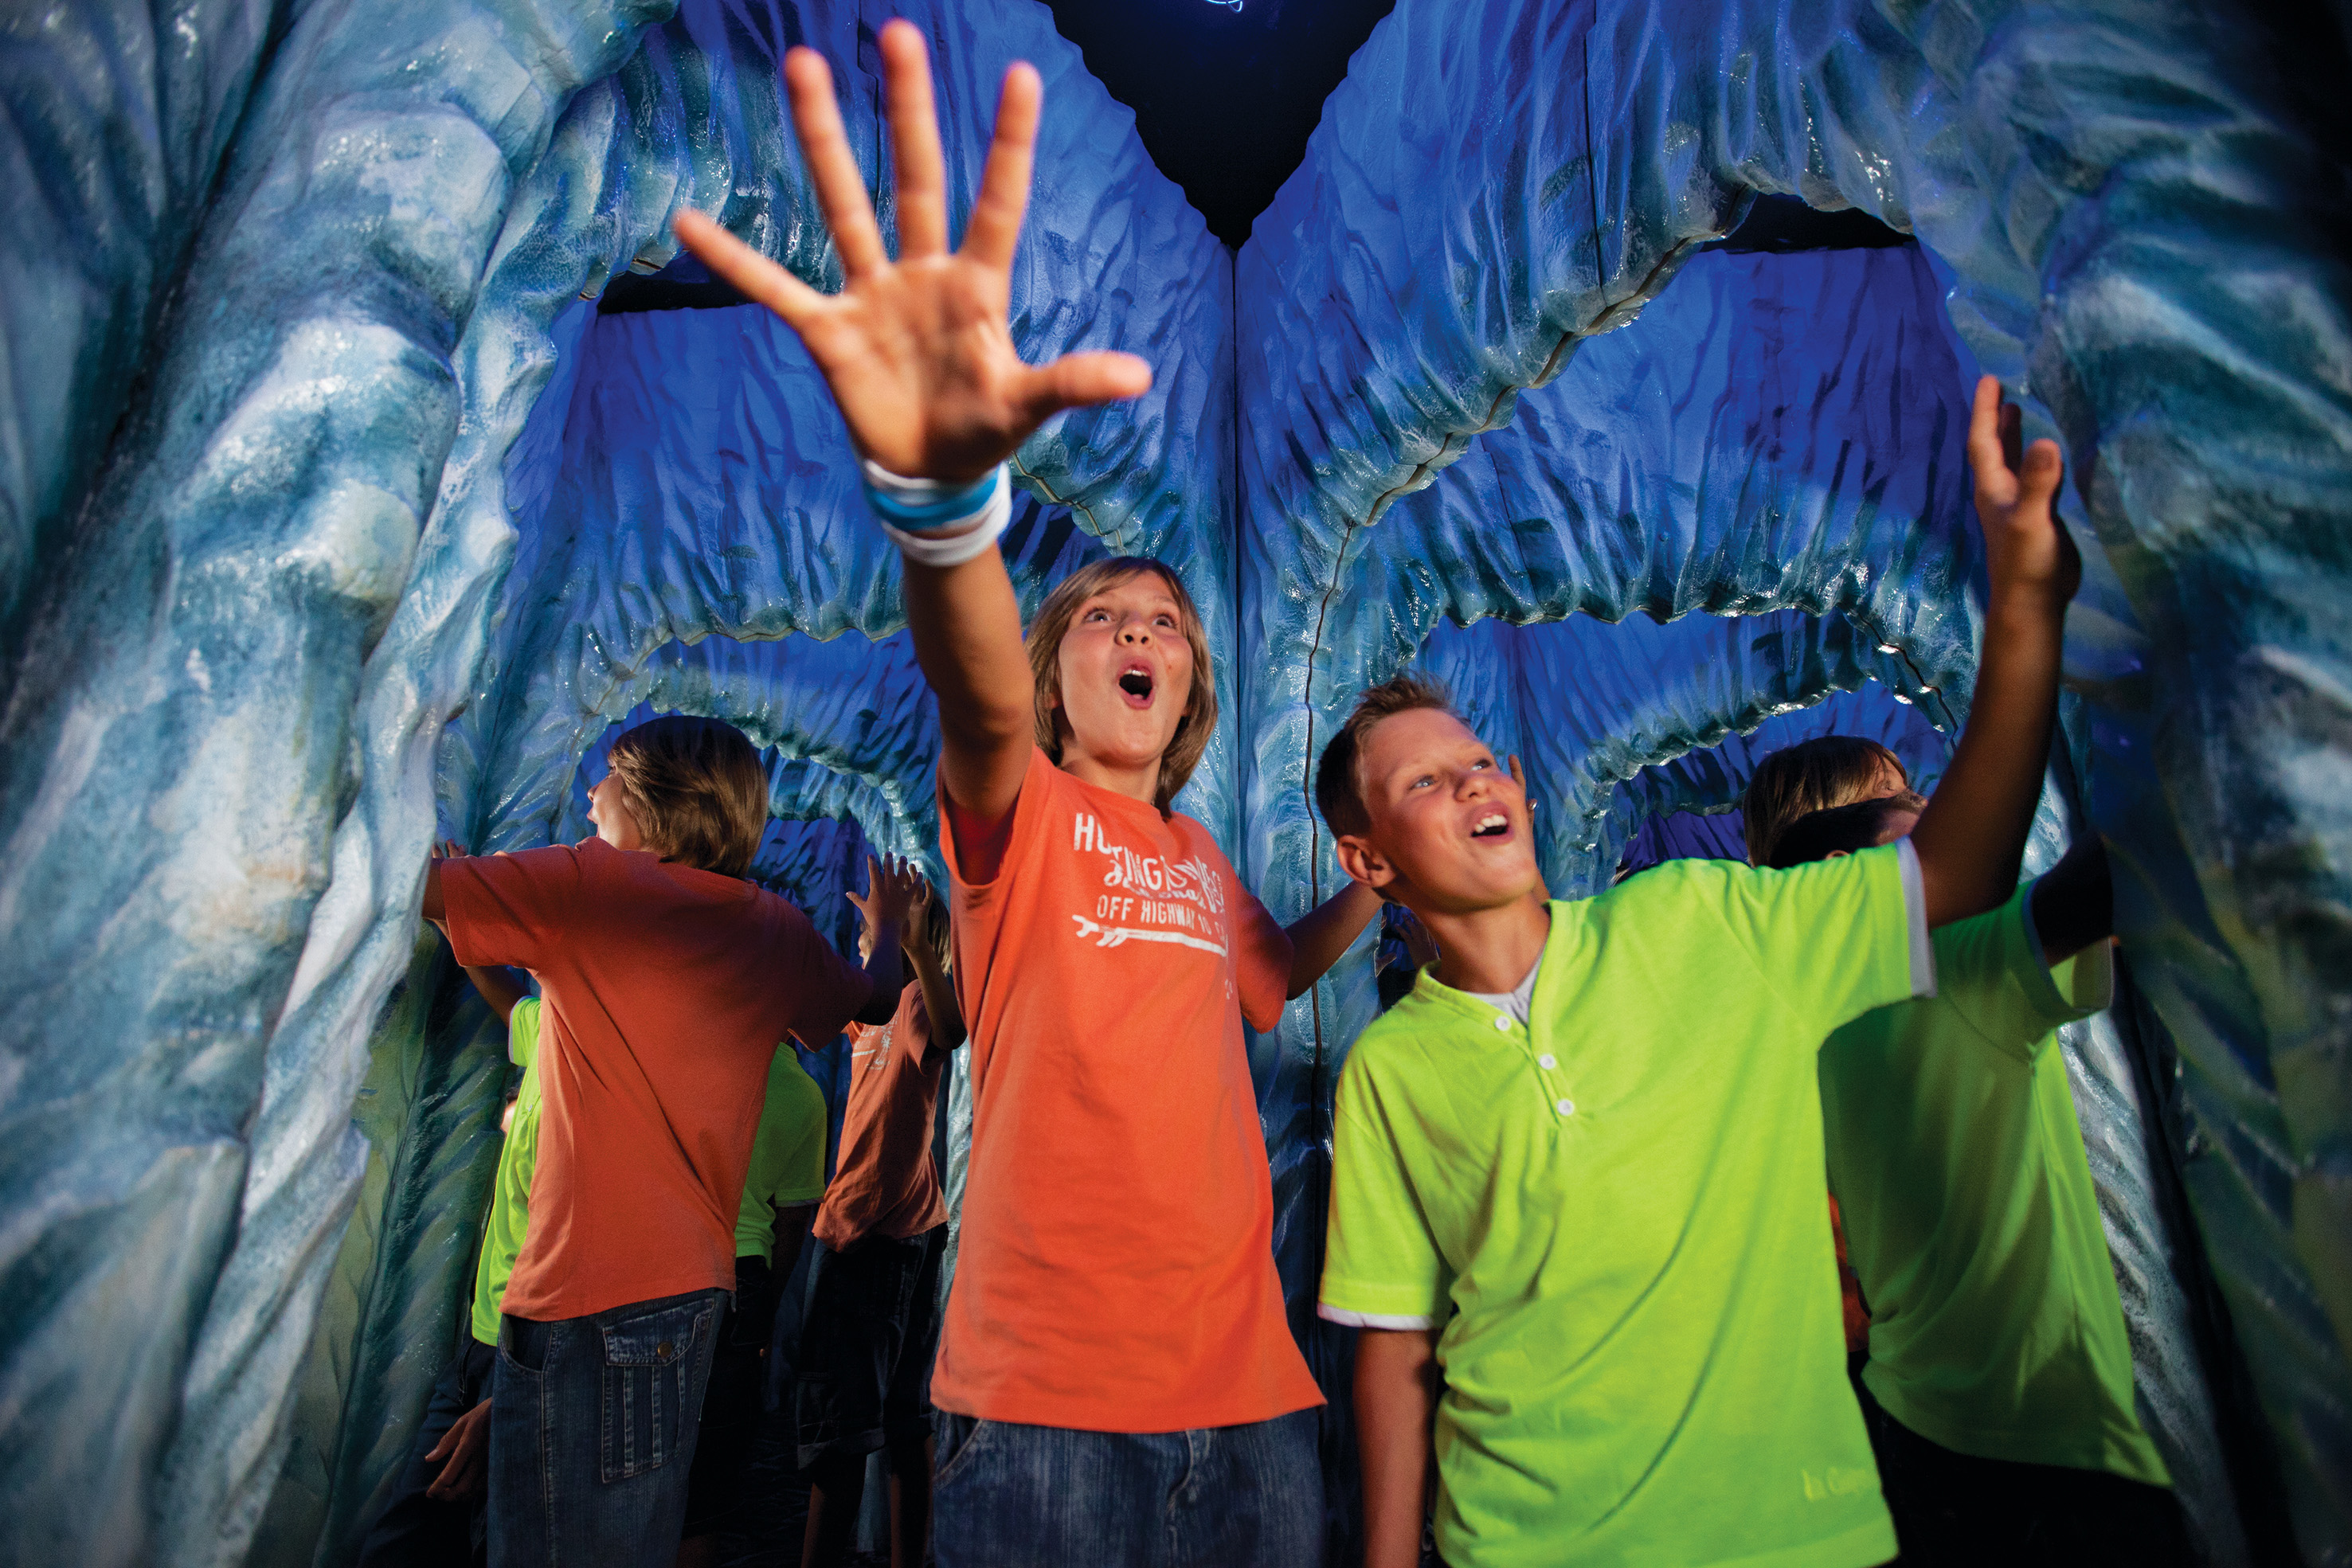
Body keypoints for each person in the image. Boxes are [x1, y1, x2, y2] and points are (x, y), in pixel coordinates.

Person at [675, 26, 1383, 1562]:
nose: (1143, 631)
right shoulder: (1025, 814)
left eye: (1168, 628)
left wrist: (1362, 898)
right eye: (1107, 620)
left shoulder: (1198, 854)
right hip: (1045, 1401)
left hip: (1252, 1398)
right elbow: (976, 687)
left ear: (1189, 693)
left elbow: (1264, 986)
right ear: (1060, 672)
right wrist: (946, 517)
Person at [1314, 372, 2083, 1568]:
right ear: (1369, 860)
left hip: (1795, 1536)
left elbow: (1949, 880)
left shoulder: (1706, 919)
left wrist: (2027, 614)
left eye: (1480, 759)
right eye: (1425, 780)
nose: (1474, 780)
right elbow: (1397, 1344)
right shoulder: (1388, 1071)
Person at [421, 716, 907, 1566]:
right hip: (691, 1296)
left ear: (649, 800)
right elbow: (870, 997)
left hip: (579, 1291)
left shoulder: (588, 885)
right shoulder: (774, 928)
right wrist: (897, 926)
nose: (590, 792)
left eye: (607, 775)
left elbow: (427, 894)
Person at [1767, 799, 2186, 1565]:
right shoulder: (1945, 968)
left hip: (1917, 1415)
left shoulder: (1807, 1028)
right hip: (2036, 1439)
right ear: (1848, 880)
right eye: (1923, 830)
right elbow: (2121, 860)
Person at [796, 855, 965, 1568]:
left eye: (882, 930)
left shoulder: (924, 1006)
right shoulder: (872, 1005)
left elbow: (954, 1030)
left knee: (854, 1430)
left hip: (884, 1236)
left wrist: (918, 949)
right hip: (867, 1227)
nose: (867, 938)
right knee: (891, 1418)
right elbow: (811, 1010)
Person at [357, 913, 535, 1568]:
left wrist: (513, 1388)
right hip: (484, 1336)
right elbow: (514, 1005)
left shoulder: (596, 1071)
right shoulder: (548, 1028)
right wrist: (461, 925)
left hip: (521, 1348)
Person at [678, 1038, 832, 1565]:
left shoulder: (698, 1053)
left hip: (671, 1258)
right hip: (743, 1275)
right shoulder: (805, 1095)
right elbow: (792, 1221)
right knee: (709, 1481)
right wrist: (766, 1306)